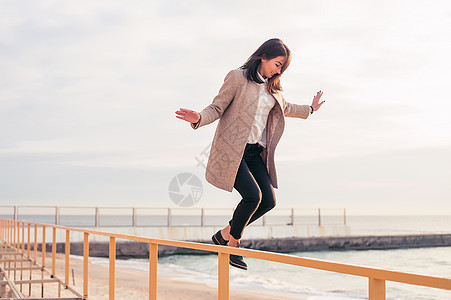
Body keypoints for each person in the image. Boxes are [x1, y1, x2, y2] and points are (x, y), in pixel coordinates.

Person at [175, 38, 325, 270]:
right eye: (277, 64)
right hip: (232, 152)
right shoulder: (238, 77)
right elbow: (217, 107)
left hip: (255, 153)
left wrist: (311, 109)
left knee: (268, 201)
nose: (279, 70)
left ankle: (224, 234)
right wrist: (199, 118)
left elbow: (286, 108)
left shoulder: (272, 87)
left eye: (282, 67)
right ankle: (233, 244)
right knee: (252, 196)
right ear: (263, 57)